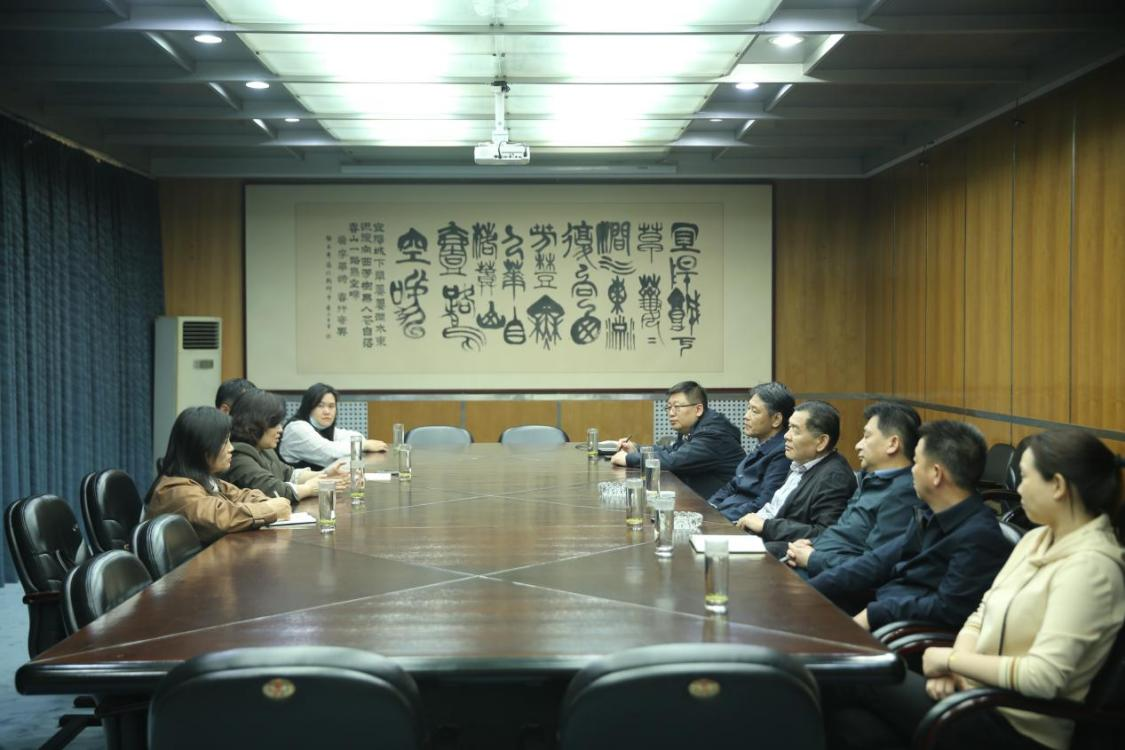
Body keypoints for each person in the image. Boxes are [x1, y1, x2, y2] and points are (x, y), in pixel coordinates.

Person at [826, 429, 1125, 750]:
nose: (1018, 488)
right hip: (974, 696)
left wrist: (952, 661)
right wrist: (957, 665)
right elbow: (981, 613)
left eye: (1025, 477)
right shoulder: (1036, 539)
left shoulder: (1091, 568)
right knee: (854, 727)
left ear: (1058, 486)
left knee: (855, 672)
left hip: (1016, 725)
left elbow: (1043, 677)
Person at [810, 420, 1011, 631]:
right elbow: (876, 562)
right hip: (884, 606)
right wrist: (809, 589)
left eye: (916, 463)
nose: (911, 471)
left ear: (936, 474)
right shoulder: (930, 513)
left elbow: (948, 609)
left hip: (904, 632)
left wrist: (875, 613)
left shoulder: (980, 536)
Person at [785, 402, 923, 577]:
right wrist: (811, 544)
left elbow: (873, 567)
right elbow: (843, 532)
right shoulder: (871, 479)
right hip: (815, 563)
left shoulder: (902, 495)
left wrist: (813, 558)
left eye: (866, 436)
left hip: (830, 579)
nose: (858, 445)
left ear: (893, 443)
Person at [144, 406, 292, 545]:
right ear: (202, 447)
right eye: (225, 442)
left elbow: (241, 495)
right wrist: (268, 509)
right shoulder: (177, 490)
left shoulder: (207, 480)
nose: (231, 448)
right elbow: (218, 517)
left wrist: (267, 503)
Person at [733, 400, 857, 558]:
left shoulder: (834, 477)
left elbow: (825, 533)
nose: (786, 436)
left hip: (781, 550)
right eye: (789, 427)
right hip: (757, 533)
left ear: (821, 441)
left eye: (795, 430)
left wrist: (766, 526)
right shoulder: (801, 462)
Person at [610, 380, 744, 499]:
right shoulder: (693, 427)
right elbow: (673, 450)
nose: (671, 413)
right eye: (669, 407)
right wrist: (636, 448)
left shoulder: (713, 434)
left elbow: (674, 461)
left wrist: (629, 459)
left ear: (698, 409)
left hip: (722, 507)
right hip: (699, 498)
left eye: (677, 407)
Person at [223, 388, 347, 503]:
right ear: (254, 424)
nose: (280, 429)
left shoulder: (265, 449)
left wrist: (325, 474)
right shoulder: (238, 455)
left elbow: (289, 474)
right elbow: (274, 490)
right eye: (275, 424)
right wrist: (309, 488)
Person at [707, 382, 795, 522]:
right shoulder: (763, 445)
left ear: (776, 419)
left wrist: (719, 518)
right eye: (748, 409)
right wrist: (709, 508)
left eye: (754, 411)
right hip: (726, 513)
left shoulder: (783, 453)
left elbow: (764, 503)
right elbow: (732, 485)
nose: (746, 416)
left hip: (741, 523)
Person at [278, 383, 387, 470]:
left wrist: (359, 444)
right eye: (320, 406)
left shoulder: (322, 427)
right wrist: (362, 445)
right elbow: (329, 453)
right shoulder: (297, 429)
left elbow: (356, 436)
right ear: (308, 407)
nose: (327, 411)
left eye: (331, 406)